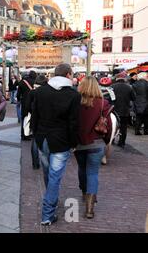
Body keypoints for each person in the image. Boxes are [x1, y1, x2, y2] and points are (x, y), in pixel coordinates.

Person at [30, 63, 81, 226]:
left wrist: (35, 135)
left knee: (49, 174)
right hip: (61, 140)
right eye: (72, 74)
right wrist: (74, 143)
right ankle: (47, 213)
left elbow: (35, 115)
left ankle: (50, 200)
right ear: (67, 75)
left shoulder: (40, 92)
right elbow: (74, 123)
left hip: (43, 138)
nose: (73, 77)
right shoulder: (73, 95)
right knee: (54, 177)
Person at [76, 77, 113, 219]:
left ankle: (85, 193)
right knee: (93, 173)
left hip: (79, 143)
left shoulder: (76, 102)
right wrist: (107, 141)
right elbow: (108, 126)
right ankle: (89, 209)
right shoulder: (103, 103)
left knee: (82, 168)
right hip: (97, 143)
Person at [26, 74, 48, 170]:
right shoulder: (47, 92)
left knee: (35, 141)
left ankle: (35, 163)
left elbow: (27, 107)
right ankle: (46, 161)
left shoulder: (32, 92)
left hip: (35, 119)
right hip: (45, 120)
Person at [111, 72, 135, 147]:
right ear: (124, 79)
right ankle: (122, 142)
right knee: (123, 127)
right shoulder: (129, 87)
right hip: (125, 110)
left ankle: (112, 140)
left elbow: (110, 99)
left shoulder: (112, 87)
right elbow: (134, 98)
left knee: (113, 126)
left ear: (117, 78)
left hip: (114, 111)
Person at [17, 70, 37, 140]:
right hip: (34, 103)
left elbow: (18, 94)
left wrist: (19, 100)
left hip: (25, 103)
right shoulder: (35, 82)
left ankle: (24, 135)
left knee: (25, 118)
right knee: (33, 118)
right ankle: (31, 133)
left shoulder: (22, 82)